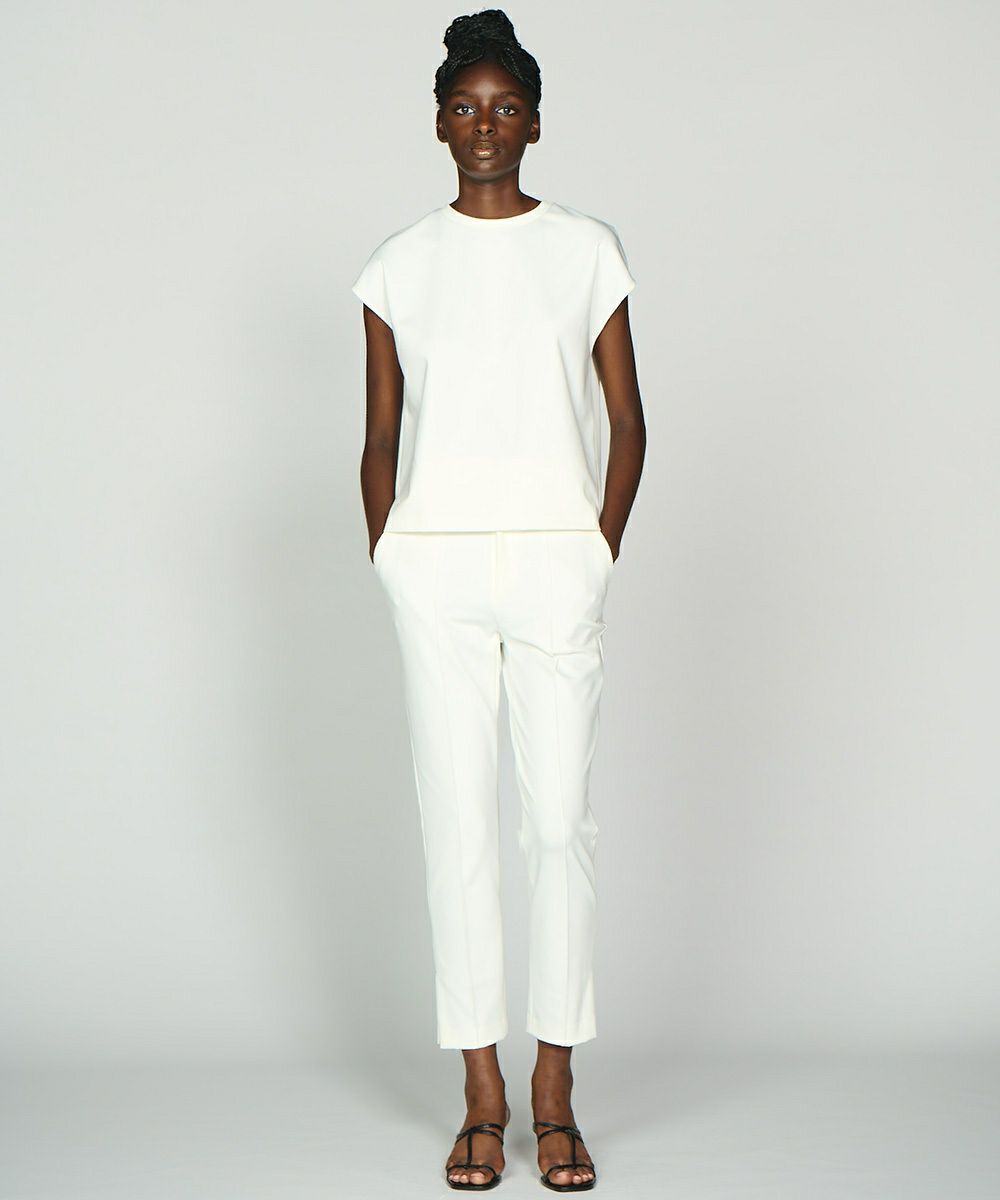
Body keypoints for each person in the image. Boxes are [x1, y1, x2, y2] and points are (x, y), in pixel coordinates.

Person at [351, 8, 644, 1191]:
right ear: (437, 123)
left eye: (505, 107)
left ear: (533, 123)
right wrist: (392, 553)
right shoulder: (396, 266)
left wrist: (594, 552)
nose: (484, 125)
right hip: (437, 572)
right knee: (457, 828)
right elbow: (379, 435)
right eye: (464, 107)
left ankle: (555, 1090)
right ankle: (481, 1095)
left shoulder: (585, 251)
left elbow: (627, 420)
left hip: (555, 564)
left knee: (558, 823)